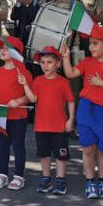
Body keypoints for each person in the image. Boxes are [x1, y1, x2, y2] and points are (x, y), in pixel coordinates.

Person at [60, 25, 103, 200]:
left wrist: (101, 83)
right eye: (90, 43)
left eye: (95, 43)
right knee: (88, 148)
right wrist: (66, 57)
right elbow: (71, 73)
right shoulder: (87, 62)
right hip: (85, 108)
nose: (91, 47)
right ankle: (90, 182)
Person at [0, 37, 33, 190]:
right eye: (2, 48)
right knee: (3, 145)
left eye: (7, 48)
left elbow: (29, 96)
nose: (2, 50)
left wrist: (19, 101)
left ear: (16, 53)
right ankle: (3, 174)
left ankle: (19, 176)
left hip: (18, 116)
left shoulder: (24, 73)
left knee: (18, 146)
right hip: (0, 115)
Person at [28, 46, 75, 195]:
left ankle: (60, 180)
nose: (45, 65)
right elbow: (32, 99)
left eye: (49, 62)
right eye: (42, 62)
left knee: (61, 155)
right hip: (41, 126)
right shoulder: (38, 80)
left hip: (59, 126)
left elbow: (71, 101)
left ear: (58, 64)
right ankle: (46, 178)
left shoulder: (63, 82)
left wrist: (71, 119)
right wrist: (24, 85)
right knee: (44, 154)